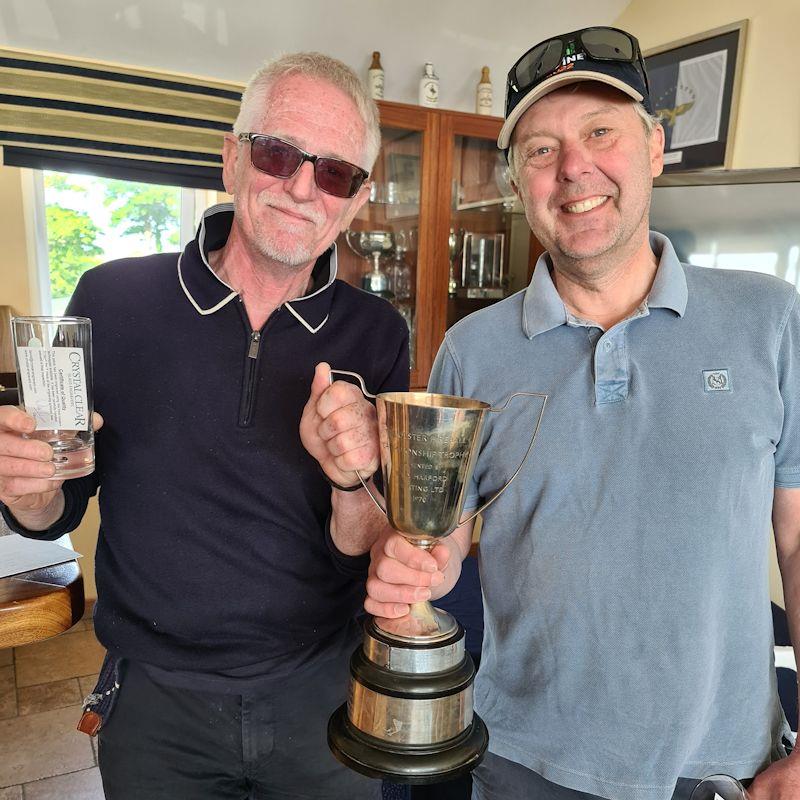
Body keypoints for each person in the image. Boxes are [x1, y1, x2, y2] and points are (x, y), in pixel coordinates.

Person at [315, 27, 800, 800]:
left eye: (600, 132)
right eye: (539, 150)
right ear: (516, 182)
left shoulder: (771, 319)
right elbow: (441, 546)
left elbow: (798, 536)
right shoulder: (471, 352)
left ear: (654, 148)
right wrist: (414, 567)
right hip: (523, 764)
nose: (574, 169)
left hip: (723, 768)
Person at [0, 52, 409, 799]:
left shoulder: (378, 334)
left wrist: (350, 478)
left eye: (335, 173)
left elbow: (366, 541)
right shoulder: (109, 296)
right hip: (157, 708)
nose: (300, 188)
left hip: (321, 696)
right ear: (232, 157)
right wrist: (24, 485)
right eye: (278, 153)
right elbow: (56, 501)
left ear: (355, 201)